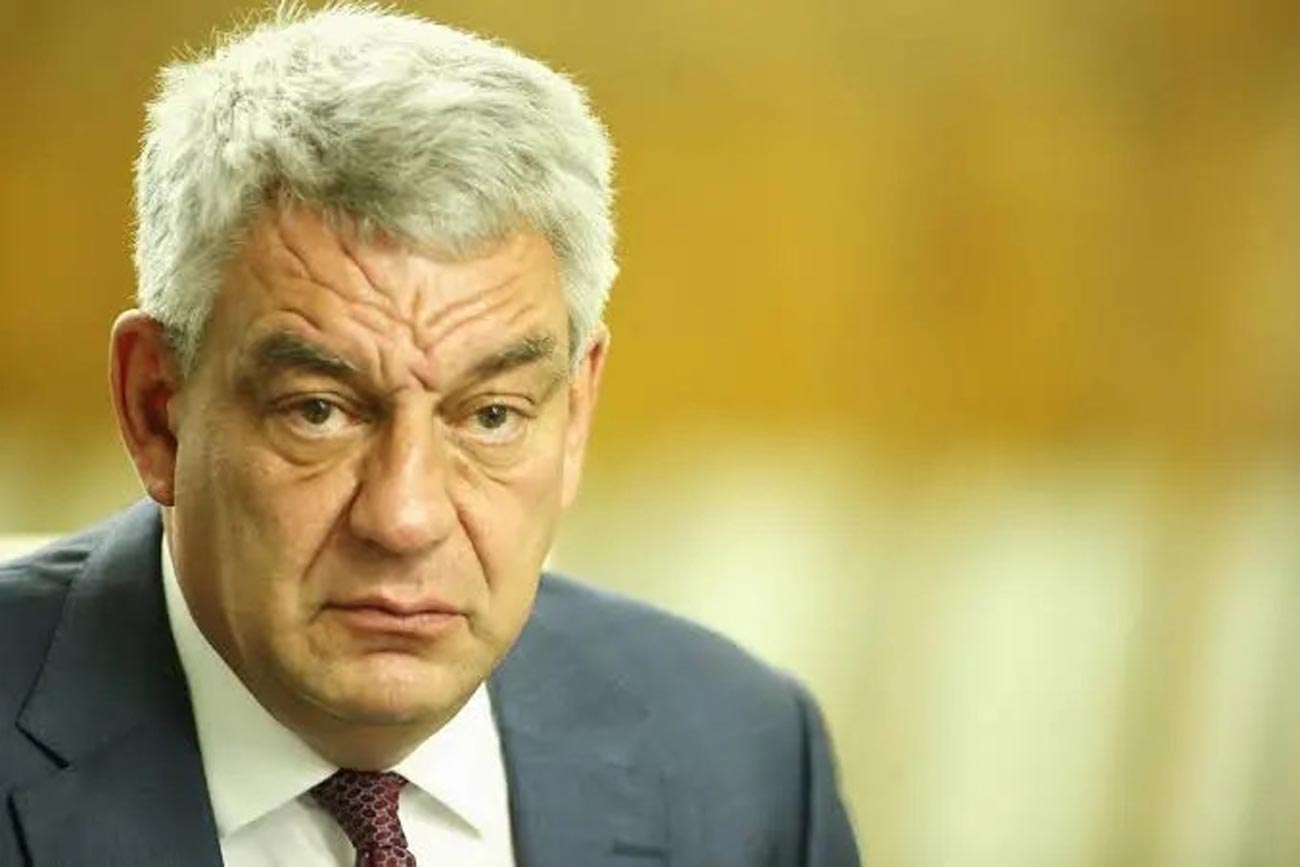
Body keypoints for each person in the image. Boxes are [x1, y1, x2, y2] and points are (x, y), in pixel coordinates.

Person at [0, 6, 860, 866]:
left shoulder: (742, 760)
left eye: (491, 415)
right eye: (319, 411)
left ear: (574, 415)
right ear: (156, 409)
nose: (405, 518)